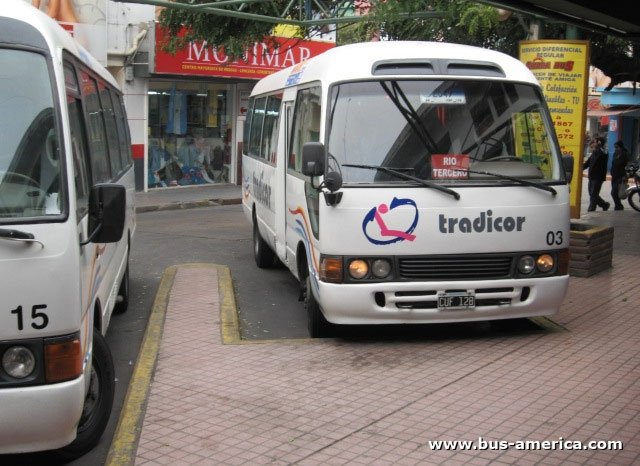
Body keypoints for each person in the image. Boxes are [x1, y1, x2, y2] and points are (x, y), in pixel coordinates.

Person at [583, 136, 610, 212]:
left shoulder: (603, 152)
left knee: (594, 193)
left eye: (594, 142)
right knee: (591, 193)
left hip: (598, 177)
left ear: (599, 143)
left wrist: (597, 147)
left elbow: (602, 155)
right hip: (591, 176)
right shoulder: (594, 152)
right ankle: (604, 204)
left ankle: (592, 208)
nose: (593, 143)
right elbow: (588, 163)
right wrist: (580, 168)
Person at [610, 140, 630, 210]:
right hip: (614, 176)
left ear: (621, 147)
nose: (616, 149)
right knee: (615, 193)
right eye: (615, 147)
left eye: (617, 147)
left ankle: (618, 205)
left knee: (613, 192)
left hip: (621, 176)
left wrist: (626, 175)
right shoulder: (615, 154)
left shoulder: (625, 154)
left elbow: (628, 166)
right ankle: (618, 206)